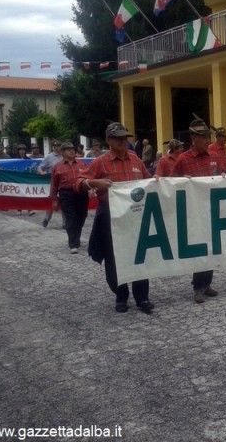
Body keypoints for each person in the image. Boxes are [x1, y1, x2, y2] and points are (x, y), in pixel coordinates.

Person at [75, 121, 154, 314]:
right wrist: (92, 182)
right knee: (113, 257)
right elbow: (78, 182)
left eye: (124, 138)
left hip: (135, 214)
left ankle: (142, 297)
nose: (121, 141)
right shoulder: (100, 162)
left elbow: (148, 180)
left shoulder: (135, 159)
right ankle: (121, 295)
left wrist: (159, 181)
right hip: (110, 214)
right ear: (108, 140)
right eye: (117, 138)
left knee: (139, 255)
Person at [171, 118, 226, 303]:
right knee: (200, 248)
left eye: (207, 137)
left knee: (211, 247)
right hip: (193, 212)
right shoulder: (183, 159)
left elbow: (220, 176)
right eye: (202, 137)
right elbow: (170, 183)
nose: (206, 141)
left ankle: (207, 283)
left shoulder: (213, 157)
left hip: (211, 210)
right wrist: (181, 181)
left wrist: (224, 177)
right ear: (193, 138)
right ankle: (197, 287)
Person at [50, 142, 89, 254]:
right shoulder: (57, 167)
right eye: (68, 150)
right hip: (66, 194)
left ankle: (76, 237)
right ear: (63, 153)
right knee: (71, 218)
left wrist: (91, 189)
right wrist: (54, 200)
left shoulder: (82, 163)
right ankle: (73, 243)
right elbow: (54, 184)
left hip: (81, 193)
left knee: (82, 217)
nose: (72, 151)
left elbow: (88, 177)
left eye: (73, 149)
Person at [38, 141, 63, 227]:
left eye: (60, 145)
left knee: (64, 201)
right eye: (57, 146)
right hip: (52, 182)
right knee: (53, 201)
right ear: (54, 147)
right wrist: (41, 172)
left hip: (63, 182)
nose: (59, 147)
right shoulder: (49, 157)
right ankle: (46, 219)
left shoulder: (64, 156)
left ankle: (65, 223)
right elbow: (40, 167)